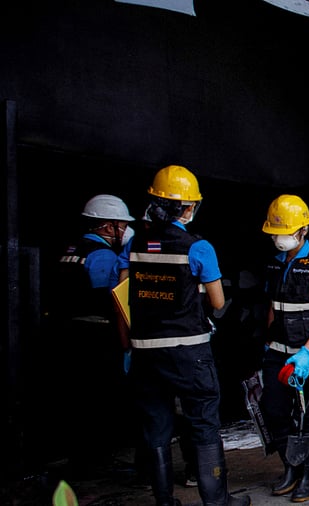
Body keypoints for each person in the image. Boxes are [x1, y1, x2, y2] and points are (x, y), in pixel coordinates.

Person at [117, 165, 250, 505]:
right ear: (188, 208)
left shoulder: (135, 244)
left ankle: (164, 501)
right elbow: (217, 302)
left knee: (157, 427)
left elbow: (123, 293)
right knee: (203, 423)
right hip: (189, 350)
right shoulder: (198, 247)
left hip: (146, 350)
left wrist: (128, 344)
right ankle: (216, 500)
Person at [258, 194, 309, 502]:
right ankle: (290, 467)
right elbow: (273, 307)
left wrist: (307, 351)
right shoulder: (274, 264)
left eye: (286, 231)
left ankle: (308, 475)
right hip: (279, 350)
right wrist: (268, 343)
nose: (280, 238)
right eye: (275, 232)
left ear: (303, 230)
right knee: (274, 409)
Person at [54, 194, 135, 473]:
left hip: (69, 332)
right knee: (99, 399)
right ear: (108, 226)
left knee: (79, 397)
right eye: (122, 226)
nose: (124, 231)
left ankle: (81, 458)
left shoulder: (71, 250)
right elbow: (112, 300)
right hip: (97, 335)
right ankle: (97, 460)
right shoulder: (103, 256)